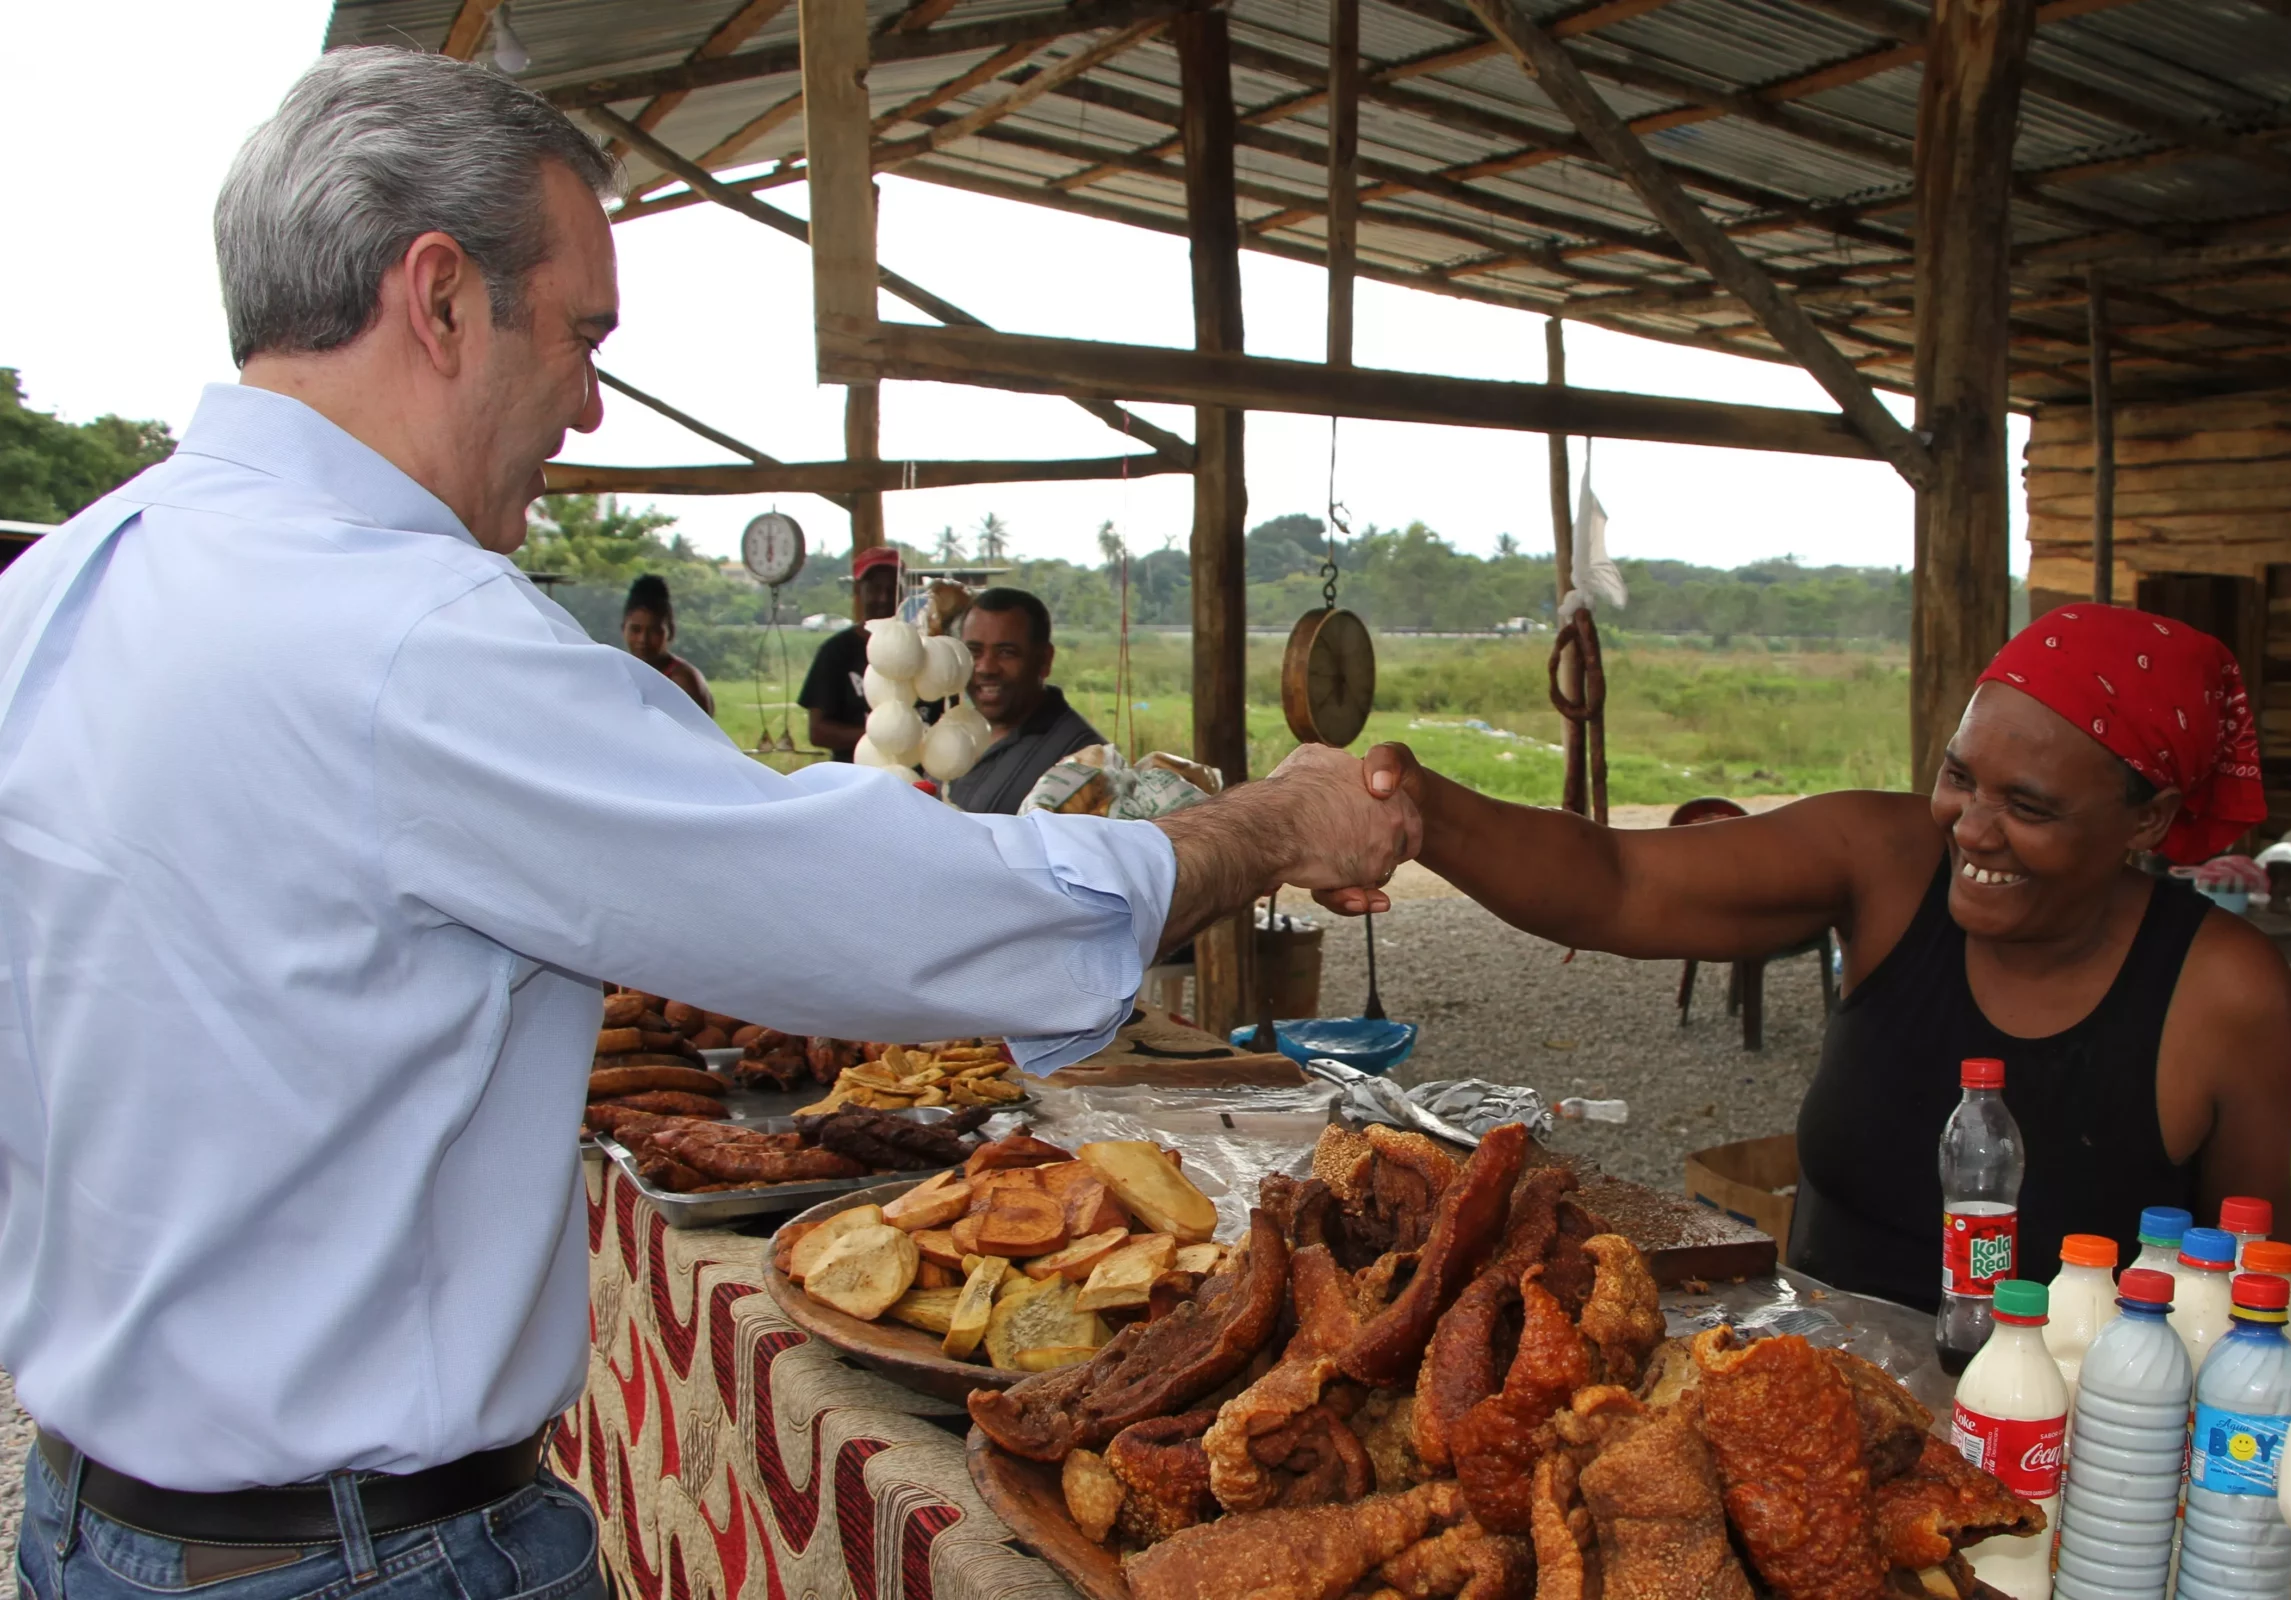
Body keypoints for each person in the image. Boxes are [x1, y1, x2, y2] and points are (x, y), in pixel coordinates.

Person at [0, 49, 1418, 1600]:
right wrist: (1261, 835)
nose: (589, 402)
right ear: (439, 298)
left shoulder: (62, 589)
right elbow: (857, 902)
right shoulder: (408, 638)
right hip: (357, 1560)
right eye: (579, 334)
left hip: (96, 1530)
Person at [1348, 604, 2291, 1312]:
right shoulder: (1887, 863)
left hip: (2065, 1478)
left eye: (2028, 807)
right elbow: (1614, 881)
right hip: (1813, 1422)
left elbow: (2262, 1301)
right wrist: (1422, 812)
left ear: (2145, 819)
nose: (1971, 830)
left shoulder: (2222, 997)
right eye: (1957, 776)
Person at [948, 587, 1103, 816]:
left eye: (1006, 652)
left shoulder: (1082, 760)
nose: (986, 668)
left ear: (1044, 660)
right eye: (974, 652)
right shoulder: (953, 727)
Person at [799, 544, 900, 759]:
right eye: (874, 589)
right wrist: (881, 736)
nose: (883, 598)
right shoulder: (835, 652)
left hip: (916, 783)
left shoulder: (923, 649)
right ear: (857, 591)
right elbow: (818, 732)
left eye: (892, 590)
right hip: (855, 777)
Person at [620, 572, 713, 715]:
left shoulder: (682, 682)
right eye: (635, 630)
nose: (643, 639)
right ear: (623, 629)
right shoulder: (617, 673)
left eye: (654, 631)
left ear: (671, 632)